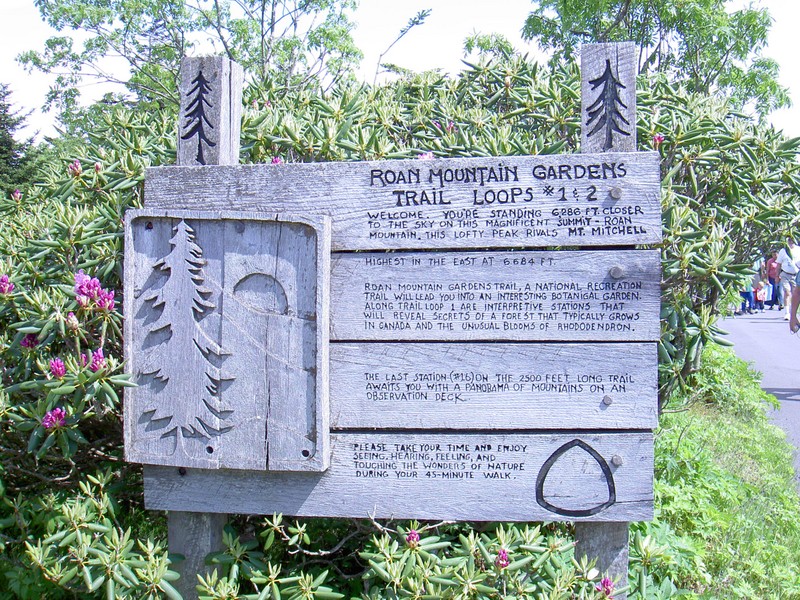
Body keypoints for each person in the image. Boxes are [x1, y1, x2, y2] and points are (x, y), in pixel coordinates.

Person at [776, 238, 800, 321]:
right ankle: (787, 313)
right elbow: (778, 264)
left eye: (792, 240)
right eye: (789, 240)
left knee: (795, 294)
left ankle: (793, 313)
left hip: (796, 275)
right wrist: (777, 276)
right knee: (787, 292)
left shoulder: (798, 249)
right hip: (785, 274)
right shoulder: (783, 250)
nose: (791, 241)